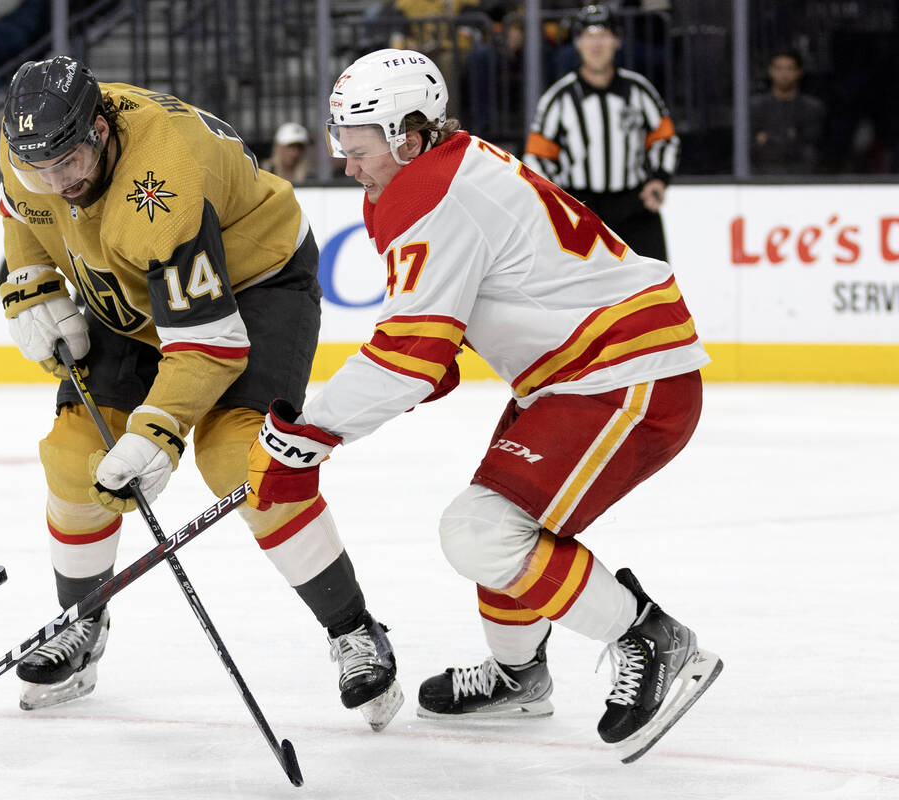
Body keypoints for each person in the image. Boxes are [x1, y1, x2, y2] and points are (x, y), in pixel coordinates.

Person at [247, 47, 722, 761]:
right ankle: (519, 676)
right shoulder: (440, 167)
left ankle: (654, 638)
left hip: (626, 376)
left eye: (359, 145)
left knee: (482, 532)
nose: (347, 163)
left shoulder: (437, 195)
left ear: (408, 134)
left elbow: (405, 356)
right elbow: (449, 316)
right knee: (500, 521)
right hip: (579, 375)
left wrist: (306, 432)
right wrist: (428, 355)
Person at [0, 56, 403, 730]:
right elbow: (21, 211)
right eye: (41, 165)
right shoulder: (32, 147)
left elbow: (208, 344)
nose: (57, 180)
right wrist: (29, 283)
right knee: (72, 455)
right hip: (130, 284)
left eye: (68, 160)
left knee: (243, 462)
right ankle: (81, 622)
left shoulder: (164, 181)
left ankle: (354, 629)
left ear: (99, 128)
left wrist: (156, 434)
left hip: (255, 281)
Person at [523, 4, 678, 262]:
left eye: (603, 34)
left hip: (634, 207)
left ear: (616, 41)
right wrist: (558, 202)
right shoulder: (559, 98)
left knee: (654, 289)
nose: (596, 43)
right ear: (578, 43)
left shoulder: (638, 91)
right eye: (589, 35)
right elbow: (536, 157)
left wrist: (660, 179)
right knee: (581, 295)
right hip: (581, 209)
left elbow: (665, 138)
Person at [749, 48, 825, 175]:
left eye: (789, 68)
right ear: (770, 71)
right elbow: (751, 146)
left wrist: (768, 138)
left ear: (799, 72)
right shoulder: (755, 107)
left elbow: (808, 146)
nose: (784, 74)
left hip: (801, 176)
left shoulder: (812, 107)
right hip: (761, 176)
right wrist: (789, 136)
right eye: (778, 68)